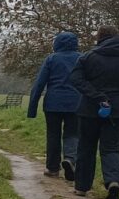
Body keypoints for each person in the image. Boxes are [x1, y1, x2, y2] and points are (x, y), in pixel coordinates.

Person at [70, 25, 119, 199]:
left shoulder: (89, 56)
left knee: (86, 147)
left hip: (90, 108)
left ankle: (81, 187)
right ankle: (113, 181)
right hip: (118, 107)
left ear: (99, 38)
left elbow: (75, 78)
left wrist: (96, 95)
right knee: (111, 147)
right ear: (117, 36)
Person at [27, 32, 82, 180]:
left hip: (53, 104)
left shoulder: (51, 59)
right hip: (75, 103)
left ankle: (52, 168)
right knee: (72, 133)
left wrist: (32, 108)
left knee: (53, 135)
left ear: (57, 43)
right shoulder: (81, 58)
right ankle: (70, 159)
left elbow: (39, 84)